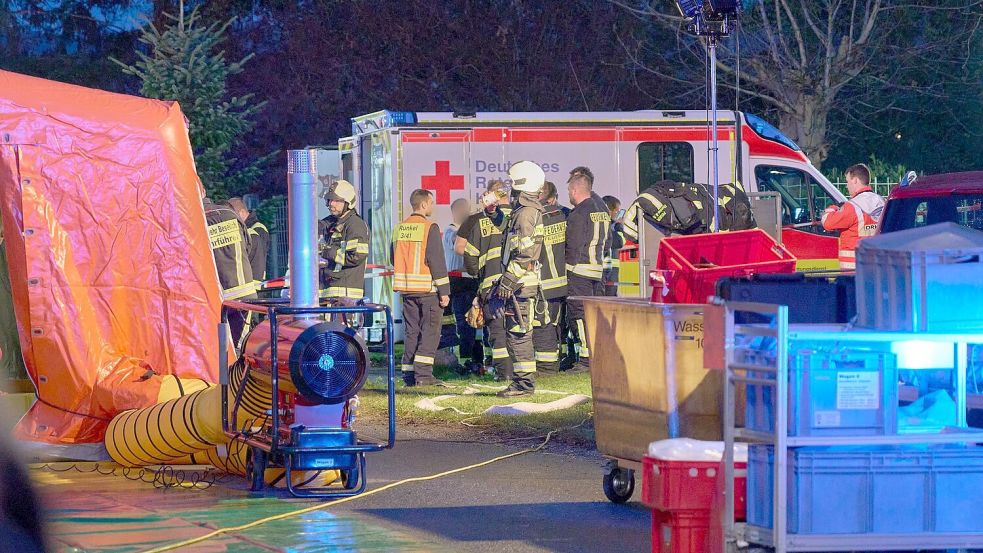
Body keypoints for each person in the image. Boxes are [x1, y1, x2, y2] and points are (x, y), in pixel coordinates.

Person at [493, 161, 546, 397]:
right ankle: (521, 382)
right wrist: (494, 214)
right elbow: (508, 233)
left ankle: (524, 384)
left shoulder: (525, 214)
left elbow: (526, 254)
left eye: (513, 185)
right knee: (516, 331)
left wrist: (508, 280)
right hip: (521, 282)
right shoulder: (523, 213)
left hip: (521, 284)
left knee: (519, 333)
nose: (510, 189)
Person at [392, 189, 450, 387]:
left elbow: (393, 258)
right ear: (424, 204)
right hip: (427, 290)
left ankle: (408, 375)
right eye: (431, 203)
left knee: (412, 332)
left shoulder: (399, 228)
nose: (432, 207)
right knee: (430, 332)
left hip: (407, 291)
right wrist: (445, 292)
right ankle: (424, 376)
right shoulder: (429, 227)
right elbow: (436, 261)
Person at [461, 179, 514, 380]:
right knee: (519, 329)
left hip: (491, 286)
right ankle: (522, 372)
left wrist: (478, 275)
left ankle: (504, 374)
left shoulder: (481, 222)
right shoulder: (519, 216)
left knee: (498, 332)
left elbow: (470, 257)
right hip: (519, 284)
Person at [564, 167, 611, 373]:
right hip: (597, 270)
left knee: (579, 315)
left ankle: (585, 359)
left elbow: (572, 244)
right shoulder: (602, 210)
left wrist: (567, 267)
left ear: (574, 191)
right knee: (594, 314)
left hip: (579, 271)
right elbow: (608, 241)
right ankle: (598, 354)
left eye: (569, 192)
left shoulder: (578, 214)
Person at [204, 197, 255, 347]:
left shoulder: (197, 218)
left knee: (220, 346)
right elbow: (248, 246)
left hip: (218, 296)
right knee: (240, 344)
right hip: (245, 291)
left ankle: (224, 369)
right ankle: (238, 369)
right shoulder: (230, 213)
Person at [441, 198, 482, 374]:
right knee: (464, 323)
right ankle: (465, 361)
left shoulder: (466, 231)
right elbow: (461, 248)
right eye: (464, 210)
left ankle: (477, 359)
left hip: (471, 280)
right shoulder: (451, 231)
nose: (467, 214)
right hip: (459, 282)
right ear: (456, 212)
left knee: (475, 322)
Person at [821, 163, 886, 270]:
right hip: (876, 264)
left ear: (855, 180)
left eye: (847, 181)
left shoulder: (852, 207)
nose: (846, 186)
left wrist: (832, 208)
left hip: (853, 269)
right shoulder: (882, 201)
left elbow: (827, 223)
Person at [532, 181, 567, 374]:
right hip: (562, 282)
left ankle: (546, 368)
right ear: (553, 198)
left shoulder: (534, 218)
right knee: (556, 324)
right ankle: (556, 361)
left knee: (543, 324)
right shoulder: (565, 215)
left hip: (542, 282)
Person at [318, 180, 370, 301]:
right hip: (328, 292)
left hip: (346, 295)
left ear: (348, 202)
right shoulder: (330, 223)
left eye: (336, 200)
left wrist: (328, 252)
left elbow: (356, 257)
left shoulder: (355, 225)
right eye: (329, 200)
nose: (331, 204)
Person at [228, 197, 270, 283]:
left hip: (255, 281)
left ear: (242, 212)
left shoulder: (257, 229)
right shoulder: (247, 229)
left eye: (233, 215)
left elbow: (257, 258)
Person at [602, 195, 624, 297]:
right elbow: (618, 242)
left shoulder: (614, 225)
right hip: (606, 269)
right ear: (610, 210)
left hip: (612, 268)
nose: (617, 214)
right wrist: (618, 227)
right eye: (617, 211)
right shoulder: (609, 225)